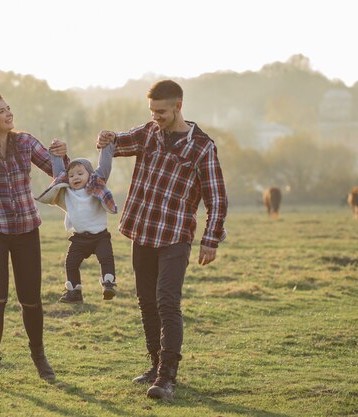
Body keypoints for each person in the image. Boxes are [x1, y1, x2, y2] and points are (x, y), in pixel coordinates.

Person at [96, 80, 228, 400]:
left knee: (167, 302)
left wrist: (210, 240)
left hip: (174, 235)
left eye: (162, 112)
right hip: (142, 231)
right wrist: (107, 138)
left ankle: (167, 377)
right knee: (146, 303)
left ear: (179, 106)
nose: (156, 117)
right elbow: (120, 142)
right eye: (152, 111)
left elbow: (217, 199)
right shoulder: (149, 132)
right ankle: (155, 366)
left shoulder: (202, 147)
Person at [0, 92, 67, 387]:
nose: (9, 114)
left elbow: (59, 173)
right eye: (1, 112)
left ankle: (39, 357)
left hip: (26, 231)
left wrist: (61, 155)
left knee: (31, 300)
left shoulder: (25, 142)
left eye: (9, 109)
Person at [35, 142, 118, 304]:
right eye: (72, 175)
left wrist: (106, 146)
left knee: (106, 258)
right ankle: (74, 292)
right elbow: (58, 172)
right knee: (71, 263)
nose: (76, 177)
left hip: (100, 237)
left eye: (80, 173)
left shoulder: (96, 185)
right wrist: (55, 154)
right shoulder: (66, 190)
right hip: (79, 238)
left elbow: (105, 166)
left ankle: (108, 284)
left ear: (90, 175)